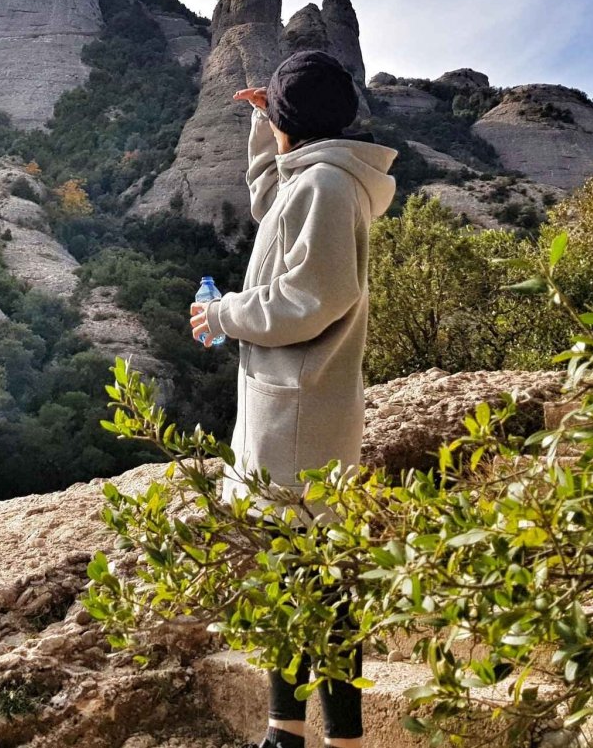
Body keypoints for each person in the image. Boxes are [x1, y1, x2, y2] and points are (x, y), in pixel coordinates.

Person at [188, 49, 397, 748]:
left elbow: (309, 299)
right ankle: (289, 732)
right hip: (293, 408)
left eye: (275, 114)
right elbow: (267, 198)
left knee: (321, 584)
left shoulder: (329, 190)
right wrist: (261, 124)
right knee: (298, 576)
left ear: (294, 124)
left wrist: (223, 316)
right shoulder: (312, 180)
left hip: (304, 418)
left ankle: (333, 738)